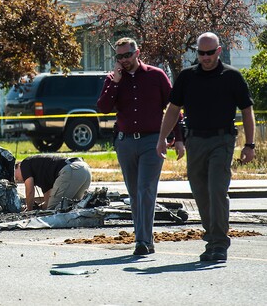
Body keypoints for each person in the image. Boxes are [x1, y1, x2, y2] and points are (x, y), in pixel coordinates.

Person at [156, 32, 255, 263]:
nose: (206, 57)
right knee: (200, 192)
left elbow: (247, 111)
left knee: (217, 189)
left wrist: (250, 145)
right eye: (202, 53)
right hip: (195, 141)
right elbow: (172, 109)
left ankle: (219, 243)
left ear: (219, 51)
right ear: (197, 53)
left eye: (210, 52)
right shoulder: (187, 77)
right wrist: (162, 138)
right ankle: (212, 238)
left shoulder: (232, 76)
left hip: (222, 140)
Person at [97, 37, 185, 256]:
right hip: (125, 142)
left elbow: (175, 108)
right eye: (120, 56)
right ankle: (145, 238)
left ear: (137, 53)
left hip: (153, 141)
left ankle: (142, 241)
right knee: (134, 193)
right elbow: (103, 108)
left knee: (146, 190)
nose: (124, 60)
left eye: (128, 55)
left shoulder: (156, 75)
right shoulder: (113, 79)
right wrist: (115, 82)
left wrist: (179, 138)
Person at [14, 155, 91, 211]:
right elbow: (48, 201)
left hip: (71, 170)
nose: (18, 180)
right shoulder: (41, 171)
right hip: (85, 169)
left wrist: (29, 209)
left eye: (16, 178)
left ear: (18, 166)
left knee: (53, 210)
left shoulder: (24, 164)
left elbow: (30, 190)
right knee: (73, 206)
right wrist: (41, 207)